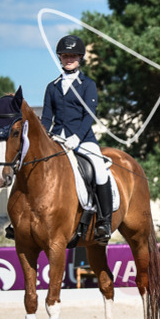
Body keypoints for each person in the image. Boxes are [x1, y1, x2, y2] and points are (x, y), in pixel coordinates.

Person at [40, 34, 114, 243]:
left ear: (80, 58)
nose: (69, 59)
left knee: (99, 169)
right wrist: (44, 139)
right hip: (57, 139)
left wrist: (76, 137)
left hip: (83, 138)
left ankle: (104, 222)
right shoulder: (52, 87)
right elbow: (46, 118)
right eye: (65, 56)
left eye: (73, 56)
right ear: (60, 58)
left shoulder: (87, 84)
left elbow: (89, 115)